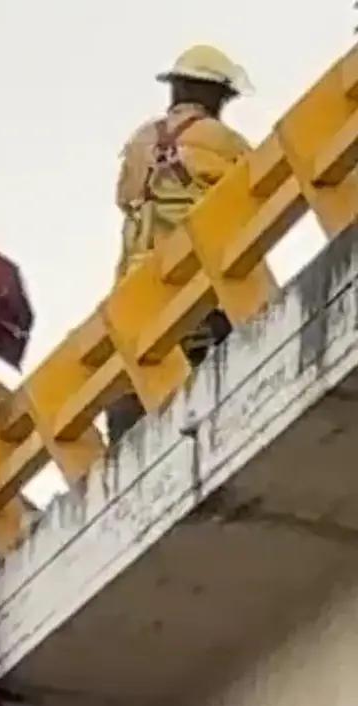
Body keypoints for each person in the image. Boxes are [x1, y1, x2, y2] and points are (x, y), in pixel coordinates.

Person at [106, 45, 254, 443]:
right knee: (241, 363)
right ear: (212, 94)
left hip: (135, 291)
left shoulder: (139, 143)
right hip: (196, 285)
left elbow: (123, 200)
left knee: (130, 385)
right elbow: (255, 199)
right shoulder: (223, 141)